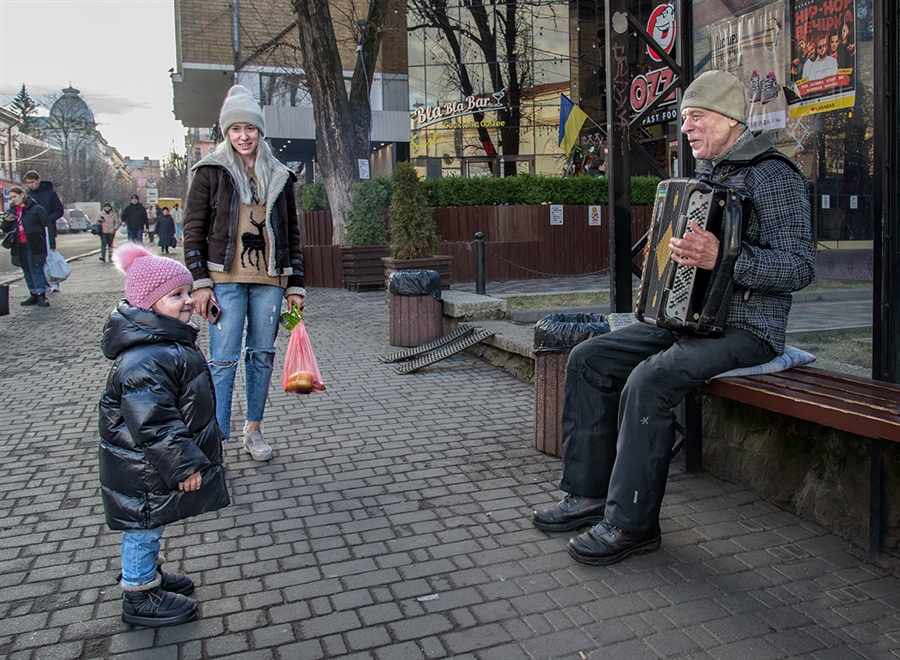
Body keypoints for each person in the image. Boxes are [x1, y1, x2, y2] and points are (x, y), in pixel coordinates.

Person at [531, 70, 815, 566]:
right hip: (687, 321)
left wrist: (725, 258)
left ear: (729, 121)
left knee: (649, 380)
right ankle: (589, 494)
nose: (686, 128)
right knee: (588, 358)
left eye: (696, 117)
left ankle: (632, 524)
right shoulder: (707, 178)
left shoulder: (776, 176)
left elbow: (800, 267)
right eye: (684, 118)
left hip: (748, 329)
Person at [100, 242, 230, 627]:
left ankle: (147, 574)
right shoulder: (147, 357)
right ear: (149, 304)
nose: (189, 301)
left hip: (147, 463)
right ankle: (139, 593)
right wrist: (184, 466)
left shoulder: (163, 342)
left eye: (188, 292)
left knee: (150, 523)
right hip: (145, 465)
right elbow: (154, 423)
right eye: (176, 295)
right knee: (144, 525)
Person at [183, 84, 306, 462]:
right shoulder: (210, 172)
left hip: (270, 281)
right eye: (235, 129)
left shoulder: (280, 175)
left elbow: (291, 234)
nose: (243, 136)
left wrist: (295, 285)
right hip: (224, 281)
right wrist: (200, 282)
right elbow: (193, 228)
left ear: (259, 131)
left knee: (262, 356)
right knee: (222, 360)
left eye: (249, 129)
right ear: (227, 132)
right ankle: (216, 437)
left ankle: (253, 430)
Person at [1, 186, 51, 307]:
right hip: (19, 245)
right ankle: (33, 293)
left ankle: (41, 294)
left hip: (34, 244)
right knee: (26, 270)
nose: (13, 200)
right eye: (10, 198)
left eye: (14, 197)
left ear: (22, 195)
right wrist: (6, 222)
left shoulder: (36, 209)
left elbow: (48, 225)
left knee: (36, 269)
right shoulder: (11, 211)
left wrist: (51, 244)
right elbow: (4, 229)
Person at [24, 170, 64, 293]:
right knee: (37, 257)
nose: (31, 185)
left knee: (50, 256)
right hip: (33, 231)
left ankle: (55, 280)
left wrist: (47, 219)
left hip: (48, 230)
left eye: (32, 182)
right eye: (28, 183)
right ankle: (44, 283)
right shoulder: (27, 195)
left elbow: (59, 210)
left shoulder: (50, 193)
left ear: (38, 180)